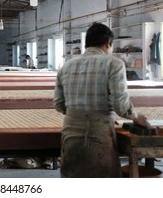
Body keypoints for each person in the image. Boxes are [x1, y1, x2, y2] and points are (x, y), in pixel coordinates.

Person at [53, 22, 150, 178]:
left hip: (70, 134)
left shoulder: (67, 66)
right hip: (99, 135)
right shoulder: (114, 64)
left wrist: (78, 113)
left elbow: (58, 104)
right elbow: (121, 106)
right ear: (107, 43)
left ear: (86, 44)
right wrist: (137, 118)